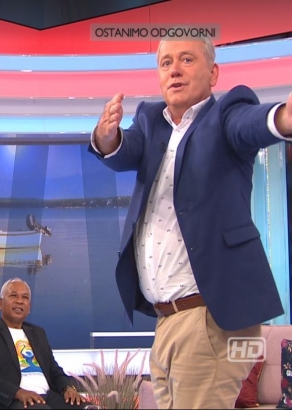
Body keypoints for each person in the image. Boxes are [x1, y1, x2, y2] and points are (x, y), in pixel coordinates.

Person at [89, 35, 292, 409]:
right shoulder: (151, 121)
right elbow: (122, 151)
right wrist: (106, 137)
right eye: (166, 63)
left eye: (186, 59)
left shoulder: (226, 113)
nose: (174, 70)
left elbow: (251, 124)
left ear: (213, 73)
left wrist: (283, 117)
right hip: (168, 318)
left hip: (211, 316)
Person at [0, 278, 95, 409]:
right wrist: (18, 393)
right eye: (13, 295)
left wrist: (68, 387)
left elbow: (53, 370)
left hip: (48, 397)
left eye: (24, 297)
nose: (19, 301)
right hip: (11, 401)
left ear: (29, 307)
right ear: (0, 303)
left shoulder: (38, 333)